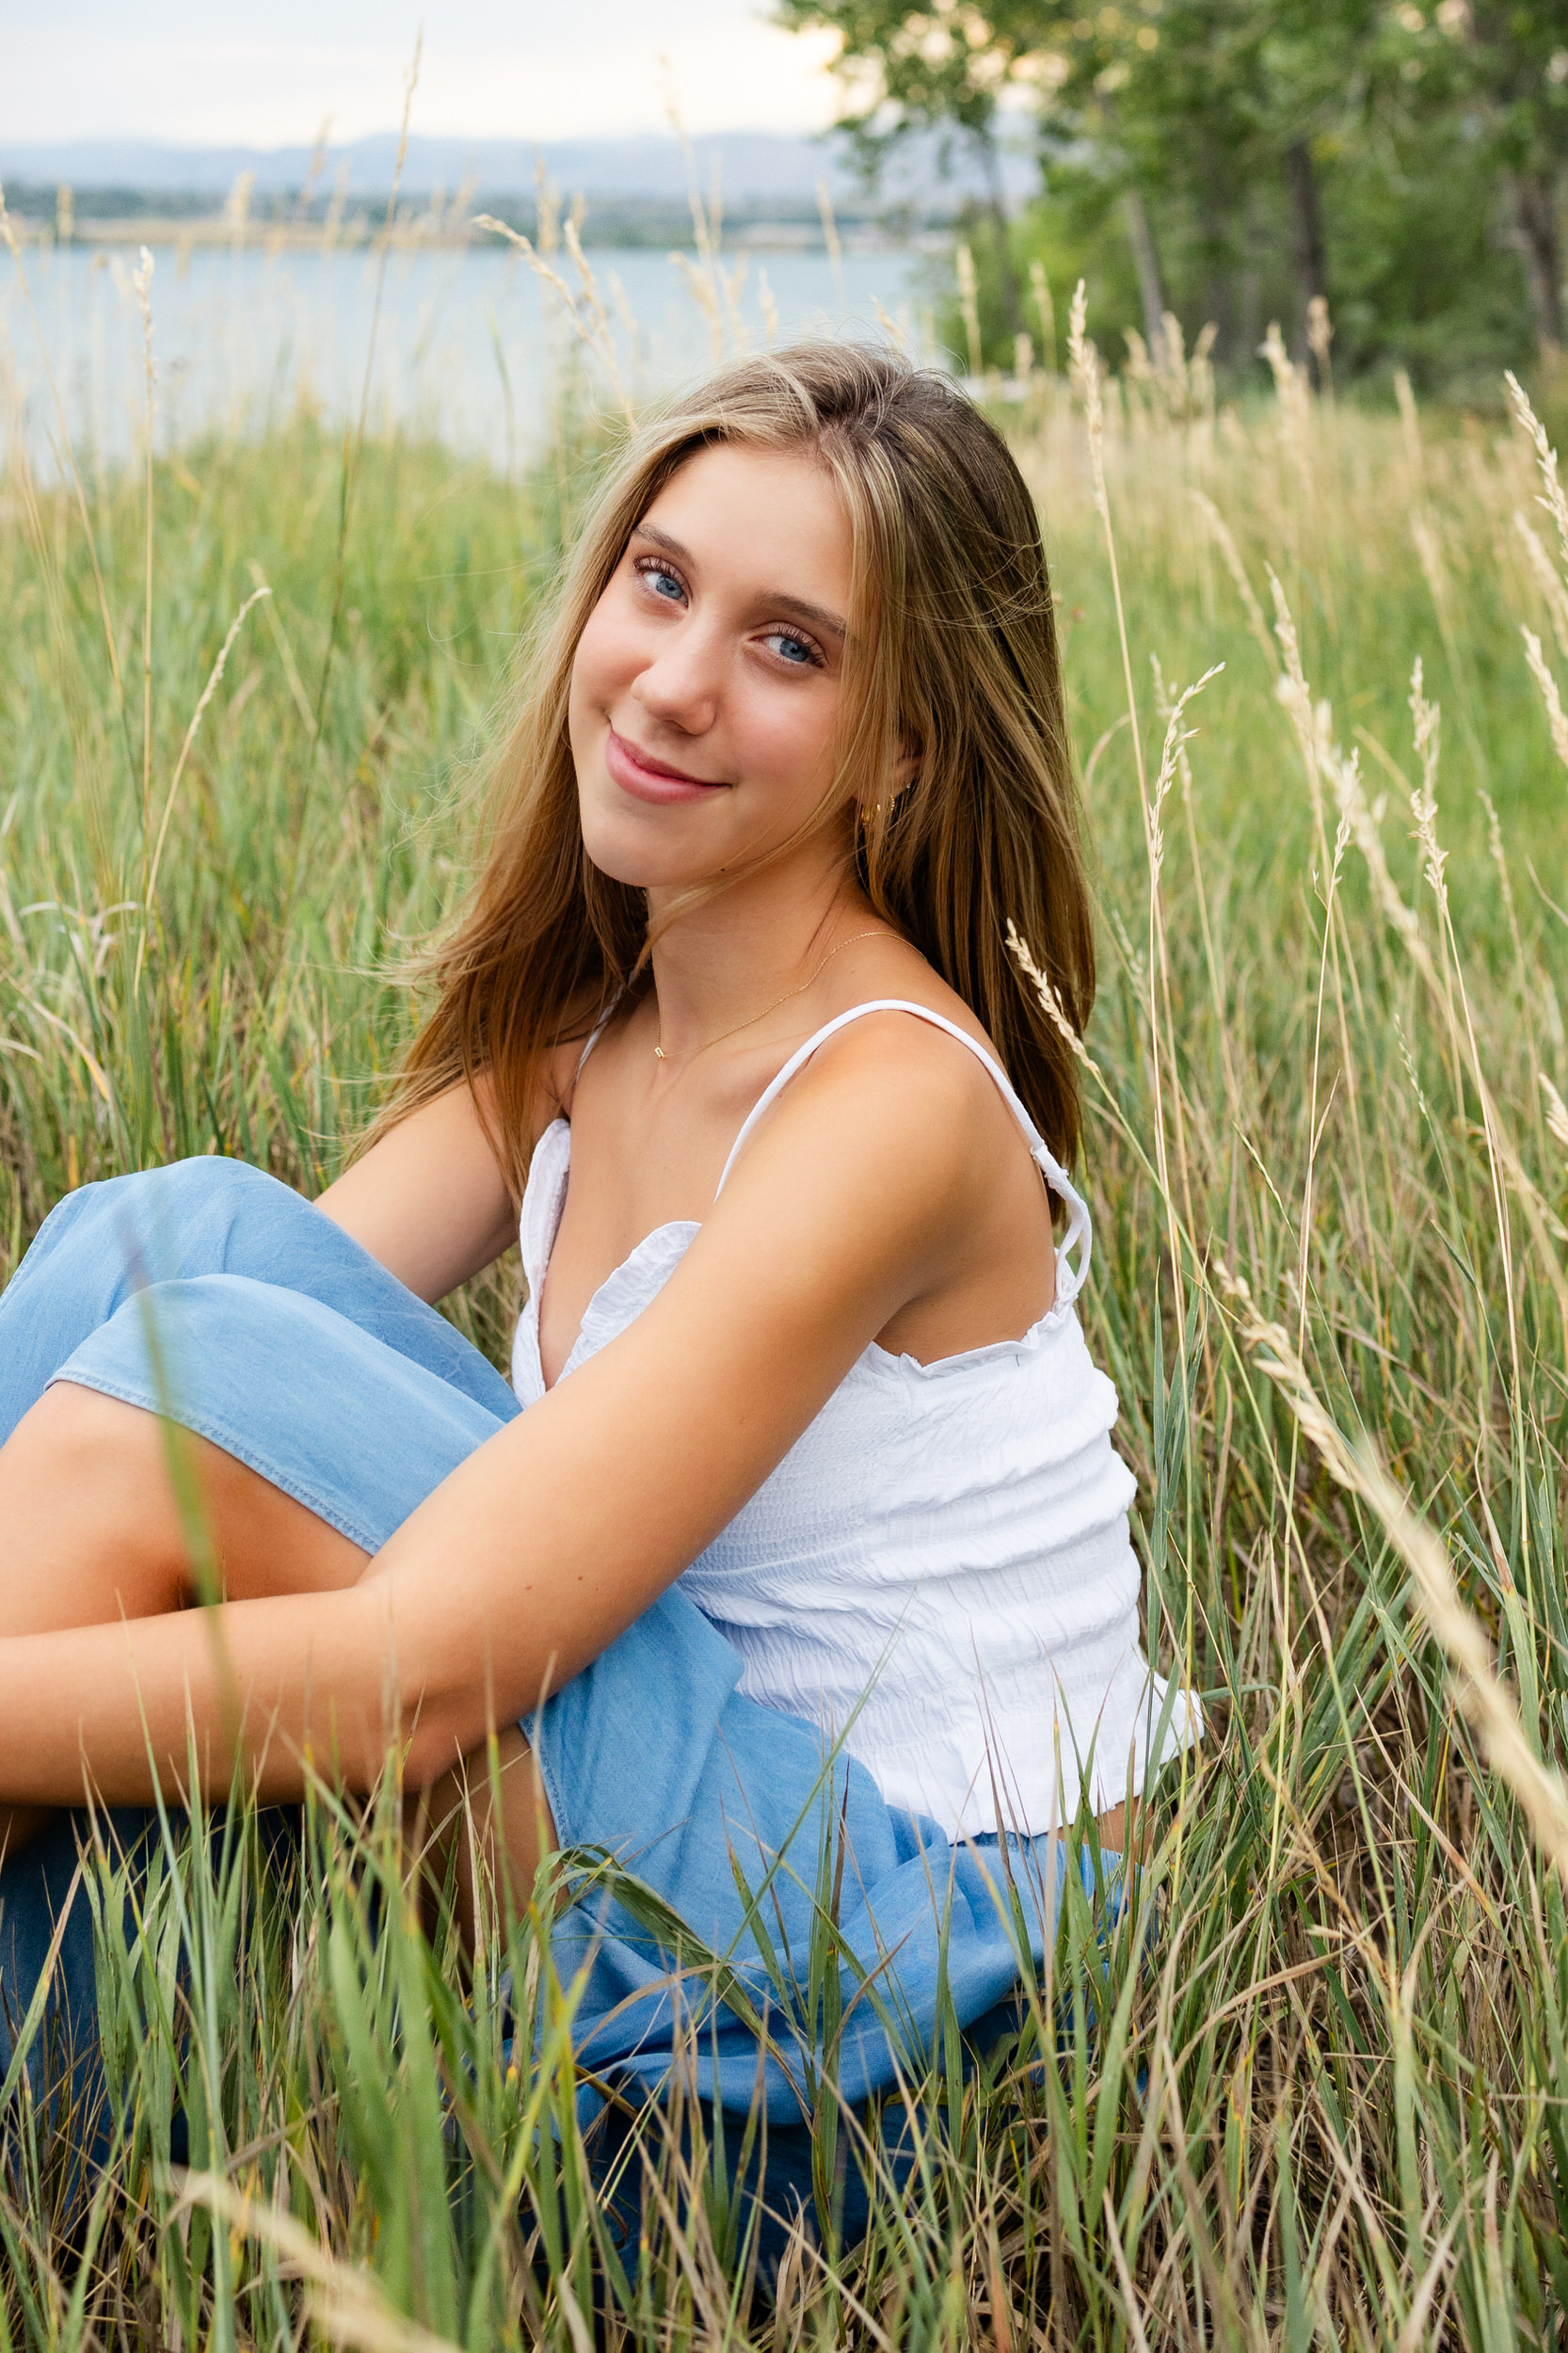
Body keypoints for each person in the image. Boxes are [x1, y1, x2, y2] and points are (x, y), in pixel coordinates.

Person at [0, 341, 1198, 2234]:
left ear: (901, 749)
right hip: (688, 1838)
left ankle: (49, 2126)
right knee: (164, 1242)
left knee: (194, 1353)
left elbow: (406, 1679)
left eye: (789, 645)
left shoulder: (886, 1099)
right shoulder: (592, 1019)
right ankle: (66, 2114)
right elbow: (199, 1381)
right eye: (660, 581)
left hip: (906, 1992)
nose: (674, 678)